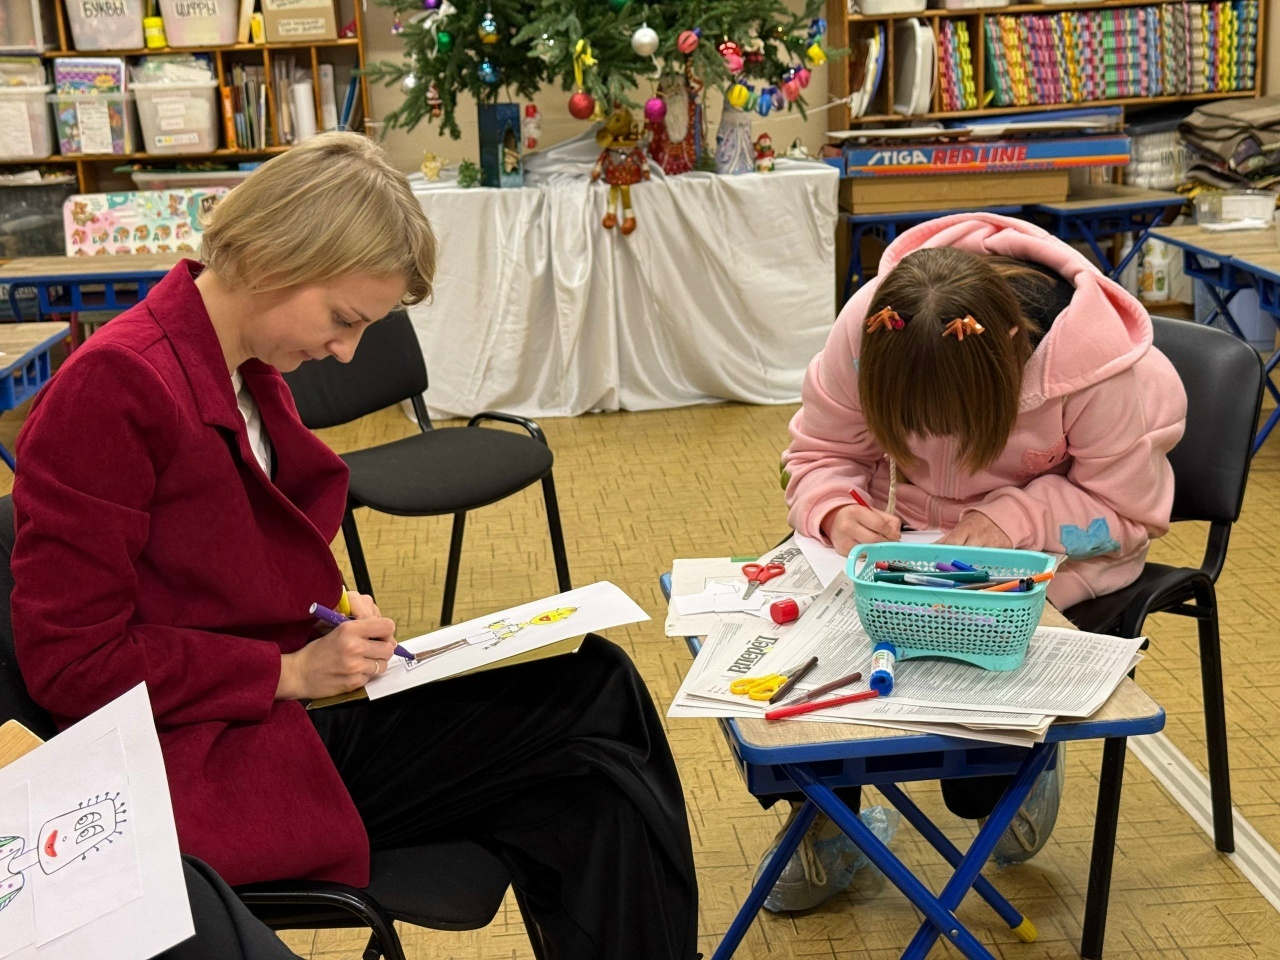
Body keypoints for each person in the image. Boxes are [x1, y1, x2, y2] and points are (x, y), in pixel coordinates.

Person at [10, 132, 698, 960]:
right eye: (344, 319)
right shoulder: (114, 387)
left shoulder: (238, 366)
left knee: (591, 764)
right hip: (203, 756)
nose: (345, 351)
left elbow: (224, 563)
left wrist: (328, 613)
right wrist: (289, 671)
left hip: (270, 715)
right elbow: (73, 665)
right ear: (274, 257)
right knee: (591, 708)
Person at [764, 212, 1187, 910]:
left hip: (1049, 549)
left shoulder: (1093, 371)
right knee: (808, 671)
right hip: (899, 542)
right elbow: (818, 453)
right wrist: (835, 510)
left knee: (973, 770)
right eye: (909, 423)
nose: (932, 438)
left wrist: (1012, 520)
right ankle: (828, 817)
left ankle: (1016, 772)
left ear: (1011, 363)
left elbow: (1127, 518)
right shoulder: (871, 327)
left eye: (954, 420)